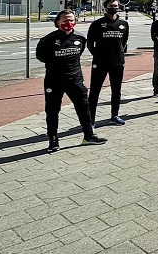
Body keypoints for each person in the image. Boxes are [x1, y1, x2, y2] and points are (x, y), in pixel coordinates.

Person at [35, 10, 106, 152]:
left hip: (75, 79)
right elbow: (41, 57)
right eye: (65, 20)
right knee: (53, 110)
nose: (68, 23)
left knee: (84, 107)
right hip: (54, 81)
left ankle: (88, 136)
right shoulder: (47, 40)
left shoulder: (80, 38)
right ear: (57, 23)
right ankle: (53, 140)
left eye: (71, 20)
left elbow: (78, 54)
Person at [86, 0, 130, 126]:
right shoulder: (97, 24)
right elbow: (89, 43)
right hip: (100, 62)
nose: (114, 7)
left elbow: (124, 41)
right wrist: (98, 55)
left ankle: (114, 116)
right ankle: (90, 120)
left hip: (117, 63)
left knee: (116, 90)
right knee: (95, 91)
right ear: (106, 7)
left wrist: (119, 54)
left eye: (116, 5)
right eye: (111, 6)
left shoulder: (123, 24)